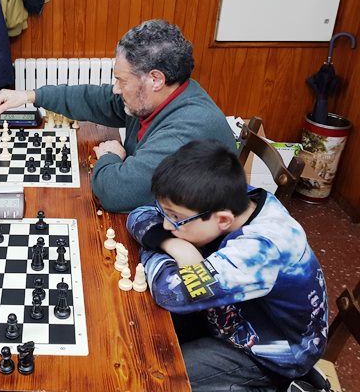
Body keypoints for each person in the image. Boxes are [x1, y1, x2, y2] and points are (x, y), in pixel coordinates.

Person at [126, 140, 328, 391]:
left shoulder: (260, 250)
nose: (167, 224)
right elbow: (138, 214)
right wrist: (173, 244)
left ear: (223, 220)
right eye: (165, 213)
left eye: (175, 218)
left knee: (153, 375)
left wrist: (155, 242)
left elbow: (170, 292)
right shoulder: (227, 199)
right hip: (228, 312)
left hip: (269, 355)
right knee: (137, 330)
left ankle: (277, 385)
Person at [0, 19, 235, 212]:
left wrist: (110, 156)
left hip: (193, 246)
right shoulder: (157, 98)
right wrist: (31, 95)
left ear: (155, 79)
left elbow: (116, 193)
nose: (116, 88)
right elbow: (96, 99)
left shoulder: (187, 130)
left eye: (121, 80)